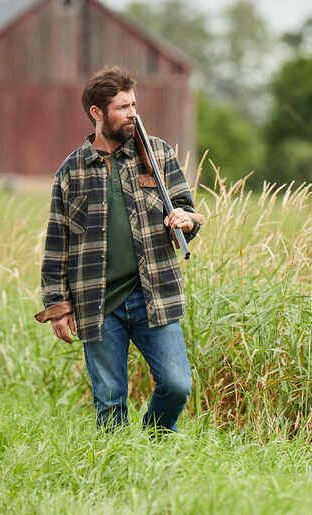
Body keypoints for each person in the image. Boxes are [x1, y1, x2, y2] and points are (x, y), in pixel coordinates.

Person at [34, 65, 203, 433]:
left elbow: (187, 209)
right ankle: (122, 471)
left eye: (134, 105)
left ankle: (154, 444)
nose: (133, 114)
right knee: (110, 402)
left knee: (177, 385)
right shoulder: (71, 171)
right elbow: (56, 245)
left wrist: (187, 221)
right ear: (98, 113)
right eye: (123, 107)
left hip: (153, 294)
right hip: (98, 303)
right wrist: (58, 307)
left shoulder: (156, 153)